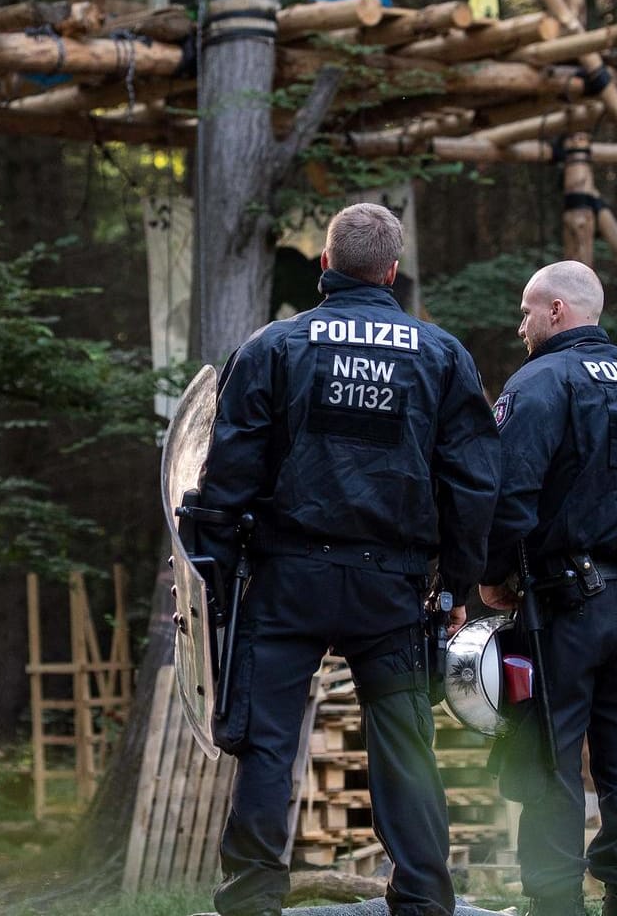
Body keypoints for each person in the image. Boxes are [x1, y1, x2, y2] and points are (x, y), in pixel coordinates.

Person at [194, 202, 501, 916]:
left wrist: (217, 577)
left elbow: (226, 474)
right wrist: (457, 582)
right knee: (403, 742)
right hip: (390, 591)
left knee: (268, 742)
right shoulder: (442, 355)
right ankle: (423, 898)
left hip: (286, 581)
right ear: (392, 272)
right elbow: (475, 483)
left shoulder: (273, 346)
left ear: (325, 265)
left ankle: (250, 898)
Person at [478, 260, 617, 916]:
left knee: (547, 754)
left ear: (557, 311)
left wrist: (494, 576)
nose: (520, 326)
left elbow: (508, 491)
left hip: (560, 608)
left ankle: (554, 902)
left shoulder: (543, 381)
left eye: (527, 311)